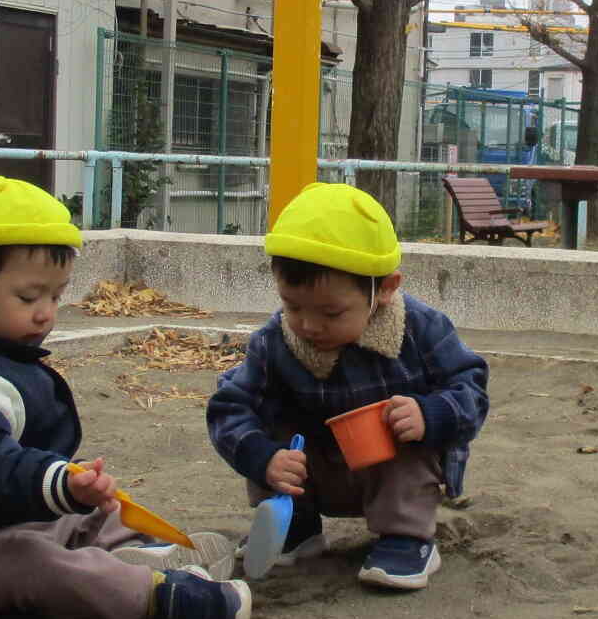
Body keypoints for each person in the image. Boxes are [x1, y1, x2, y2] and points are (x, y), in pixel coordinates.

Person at [0, 177, 251, 619]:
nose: (46, 313)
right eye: (29, 298)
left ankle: (149, 551)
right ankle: (159, 594)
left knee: (94, 511)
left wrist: (67, 486)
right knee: (35, 563)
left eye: (56, 296)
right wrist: (57, 480)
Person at [207, 181, 489, 591]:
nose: (308, 325)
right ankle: (297, 526)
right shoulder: (275, 340)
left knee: (402, 420)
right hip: (311, 472)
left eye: (332, 312)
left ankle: (406, 537)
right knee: (268, 420)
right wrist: (261, 456)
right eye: (292, 305)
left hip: (391, 475)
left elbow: (472, 388)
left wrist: (432, 415)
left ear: (386, 290)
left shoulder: (421, 330)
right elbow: (229, 406)